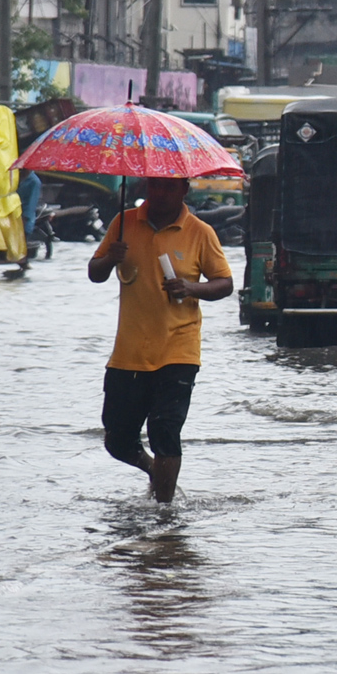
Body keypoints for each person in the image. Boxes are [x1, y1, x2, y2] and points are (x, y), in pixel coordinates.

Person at [88, 177, 233, 503]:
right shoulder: (123, 223)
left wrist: (190, 287)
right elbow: (95, 272)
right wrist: (111, 258)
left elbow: (224, 283)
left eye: (169, 188)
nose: (160, 194)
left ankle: (165, 515)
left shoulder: (200, 232)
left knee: (165, 430)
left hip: (178, 350)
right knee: (117, 439)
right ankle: (156, 471)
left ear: (184, 190)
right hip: (129, 351)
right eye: (155, 187)